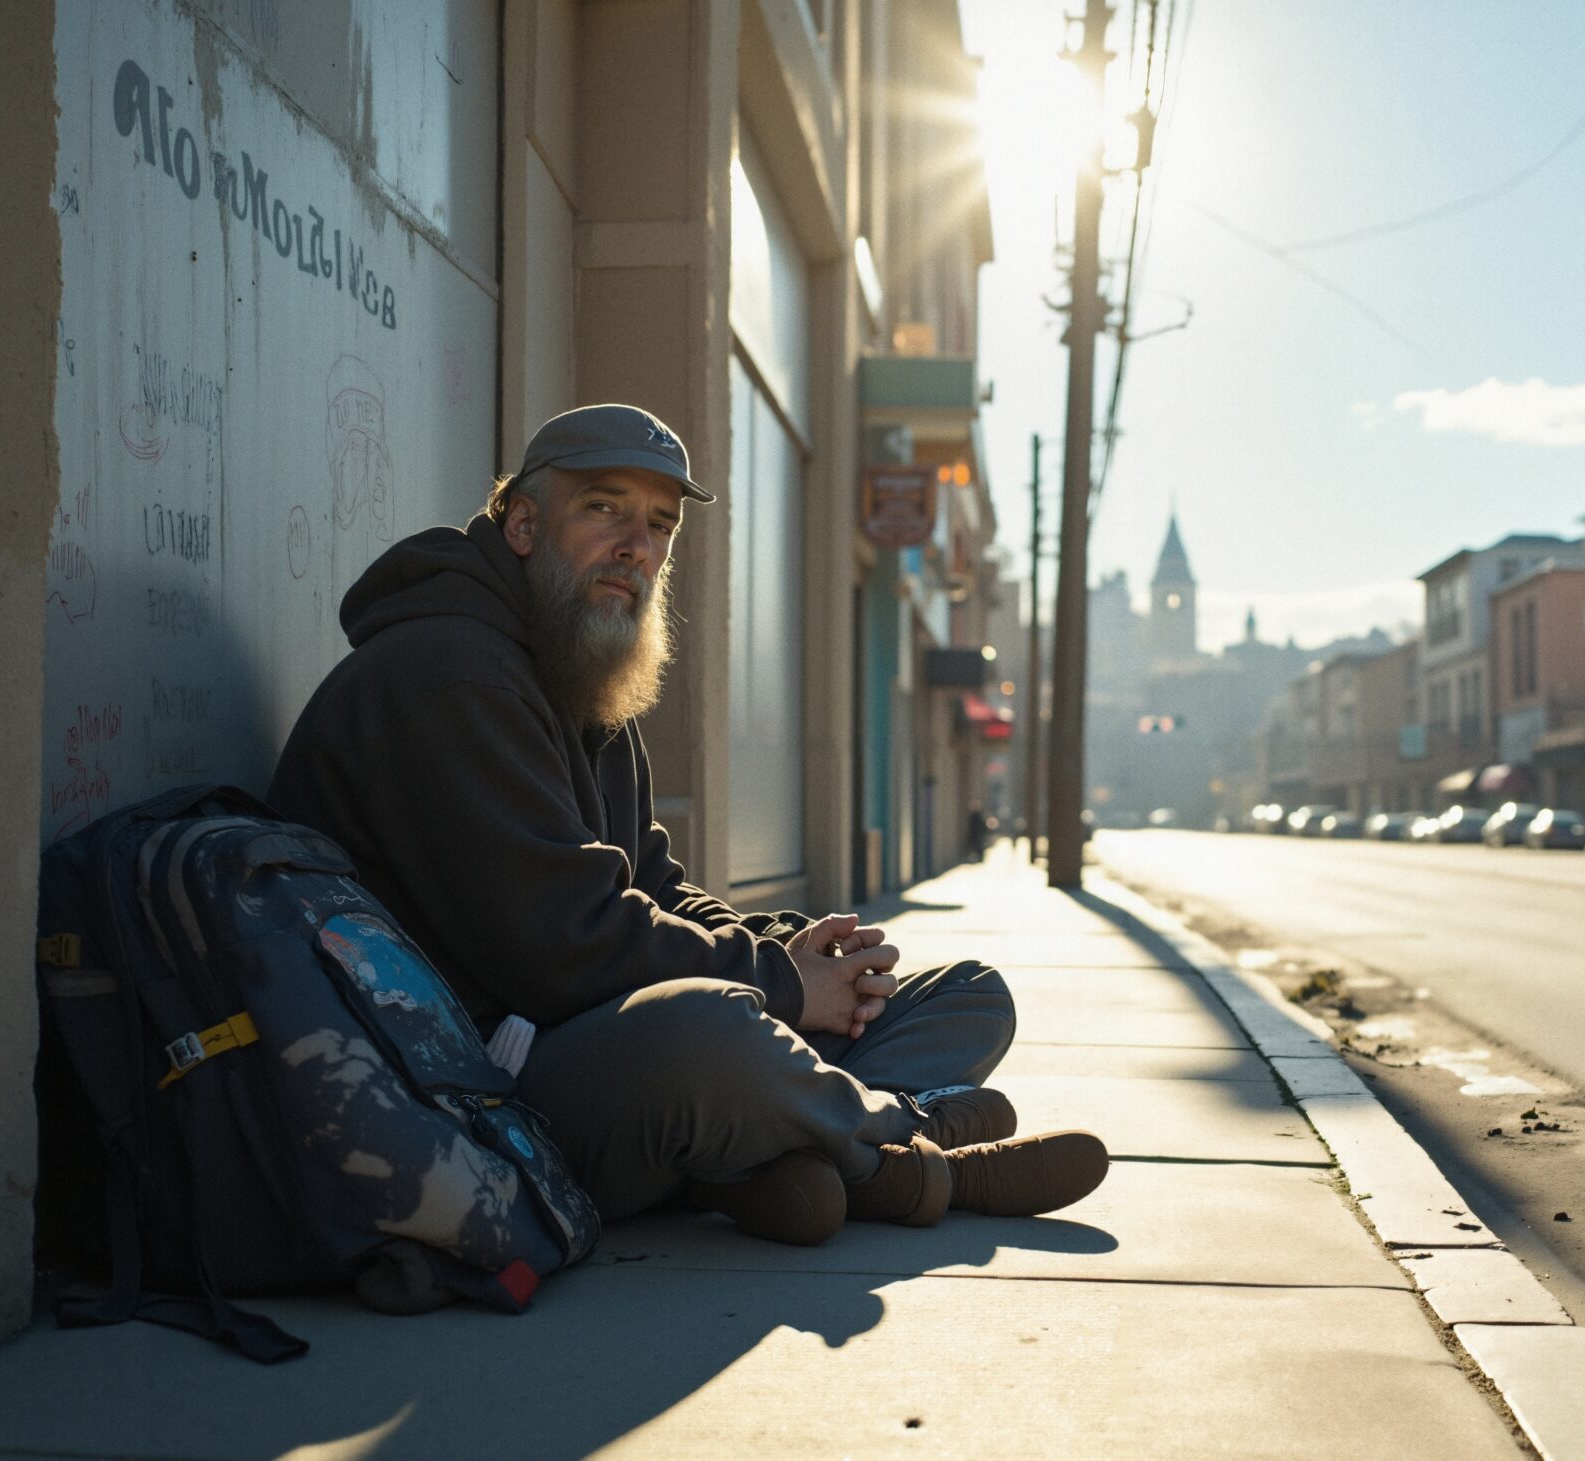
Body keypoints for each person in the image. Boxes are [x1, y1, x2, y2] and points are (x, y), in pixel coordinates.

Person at [269, 404, 1105, 1245]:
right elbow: (566, 946)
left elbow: (654, 887)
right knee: (708, 1033)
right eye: (604, 508)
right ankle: (914, 1158)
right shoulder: (449, 672)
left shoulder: (578, 670)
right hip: (477, 1084)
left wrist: (801, 954)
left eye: (659, 524)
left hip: (591, 1039)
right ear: (522, 522)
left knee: (968, 995)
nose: (637, 544)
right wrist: (780, 987)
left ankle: (768, 1161)